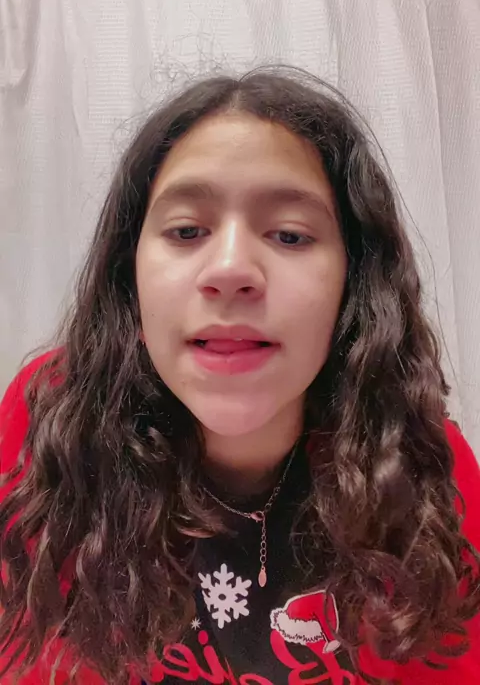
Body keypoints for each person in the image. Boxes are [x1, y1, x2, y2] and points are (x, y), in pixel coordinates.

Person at [0, 68, 479, 685]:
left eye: (290, 234)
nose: (229, 270)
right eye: (187, 231)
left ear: (353, 287)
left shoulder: (419, 464)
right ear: (130, 281)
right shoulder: (49, 422)